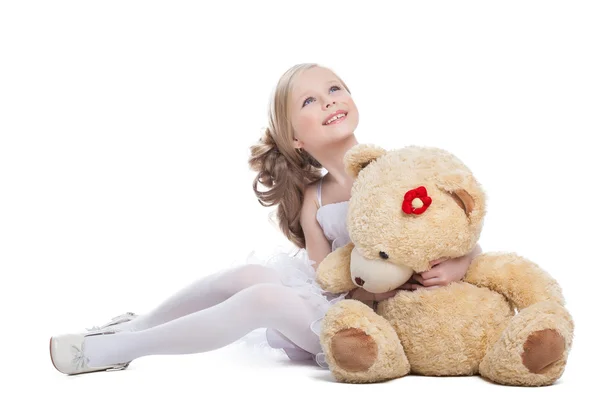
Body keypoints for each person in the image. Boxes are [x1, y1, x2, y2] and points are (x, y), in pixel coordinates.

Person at [49, 63, 482, 375]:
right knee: (250, 275)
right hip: (347, 306)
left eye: (335, 88)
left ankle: (124, 348)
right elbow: (324, 279)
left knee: (265, 301)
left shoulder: (396, 169)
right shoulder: (314, 198)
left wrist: (460, 264)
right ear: (295, 137)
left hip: (387, 324)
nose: (330, 99)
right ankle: (136, 324)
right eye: (310, 100)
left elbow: (460, 230)